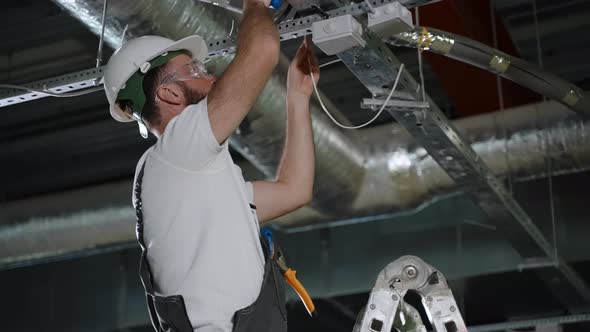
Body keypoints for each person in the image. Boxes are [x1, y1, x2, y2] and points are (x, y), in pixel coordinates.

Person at [102, 0, 319, 330]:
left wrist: (297, 97)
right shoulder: (176, 151)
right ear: (171, 94)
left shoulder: (193, 180)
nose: (212, 76)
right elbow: (261, 49)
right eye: (195, 71)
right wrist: (254, 5)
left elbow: (295, 190)